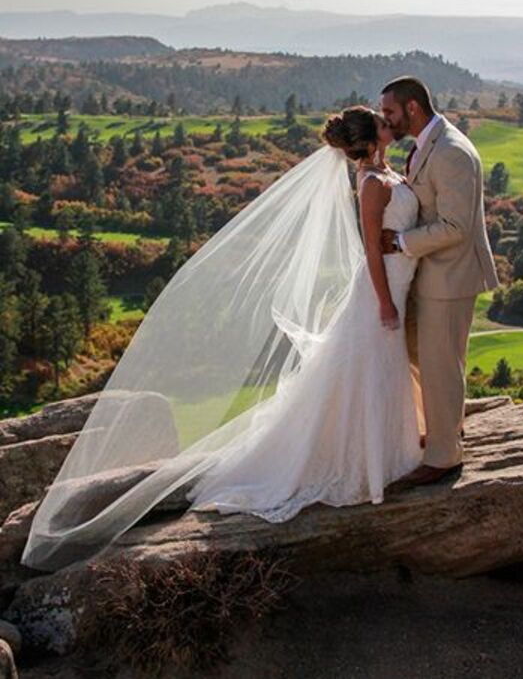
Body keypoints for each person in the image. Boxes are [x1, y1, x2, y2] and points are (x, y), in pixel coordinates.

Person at [21, 106, 424, 572]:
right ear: (370, 138)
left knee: (374, 370)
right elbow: (371, 248)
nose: (389, 124)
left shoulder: (385, 173)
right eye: (382, 122)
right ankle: (367, 462)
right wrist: (384, 302)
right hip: (379, 291)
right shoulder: (371, 183)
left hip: (398, 281)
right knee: (370, 369)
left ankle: (384, 452)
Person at [379, 77, 499, 488]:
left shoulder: (450, 152)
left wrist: (399, 242)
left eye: (390, 112)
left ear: (412, 107)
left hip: (450, 276)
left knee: (441, 365)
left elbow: (455, 226)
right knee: (422, 356)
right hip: (430, 274)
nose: (386, 120)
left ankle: (443, 457)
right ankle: (441, 429)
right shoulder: (428, 144)